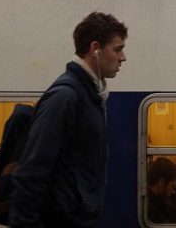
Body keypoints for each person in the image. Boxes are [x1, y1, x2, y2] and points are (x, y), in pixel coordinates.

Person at [9, 12, 129, 228]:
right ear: (95, 49)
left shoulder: (90, 95)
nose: (123, 57)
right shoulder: (65, 96)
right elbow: (32, 172)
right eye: (118, 49)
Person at [146, 158, 176, 224]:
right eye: (172, 187)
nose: (173, 192)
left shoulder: (158, 201)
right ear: (161, 182)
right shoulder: (151, 208)